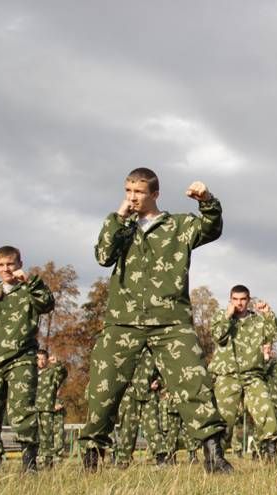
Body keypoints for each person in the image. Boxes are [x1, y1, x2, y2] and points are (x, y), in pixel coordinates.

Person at [79, 167, 231, 473]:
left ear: (155, 194)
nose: (132, 197)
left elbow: (212, 228)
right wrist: (118, 217)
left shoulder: (178, 226)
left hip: (170, 320)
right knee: (103, 389)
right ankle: (92, 455)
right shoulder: (121, 228)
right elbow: (103, 255)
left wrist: (207, 200)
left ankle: (214, 455)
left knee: (195, 383)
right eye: (128, 191)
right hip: (124, 321)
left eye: (138, 192)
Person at [0, 246, 54, 473]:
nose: (6, 269)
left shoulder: (30, 289)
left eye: (11, 264)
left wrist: (30, 281)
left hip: (21, 359)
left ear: (19, 264)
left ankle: (29, 463)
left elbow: (47, 303)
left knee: (21, 410)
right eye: (1, 265)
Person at [209, 286, 277, 461]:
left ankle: (271, 454)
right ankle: (216, 457)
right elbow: (217, 336)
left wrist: (268, 314)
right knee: (224, 418)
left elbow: (276, 334)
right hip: (228, 375)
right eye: (235, 299)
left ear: (248, 300)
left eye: (242, 299)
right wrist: (227, 316)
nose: (239, 303)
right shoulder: (222, 316)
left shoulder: (257, 321)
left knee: (266, 410)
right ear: (230, 299)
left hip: (252, 374)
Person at [113, 351, 167, 468]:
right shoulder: (127, 348)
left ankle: (161, 459)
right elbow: (114, 368)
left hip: (149, 395)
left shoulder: (154, 350)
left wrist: (158, 382)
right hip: (129, 395)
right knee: (127, 429)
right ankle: (123, 461)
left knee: (154, 428)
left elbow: (165, 372)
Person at [36, 349, 67, 468]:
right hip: (34, 410)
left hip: (46, 409)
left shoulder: (51, 373)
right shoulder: (30, 374)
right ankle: (35, 461)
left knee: (47, 437)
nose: (41, 361)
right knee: (36, 437)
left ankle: (47, 463)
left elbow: (63, 373)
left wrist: (57, 364)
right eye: (38, 359)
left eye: (43, 359)